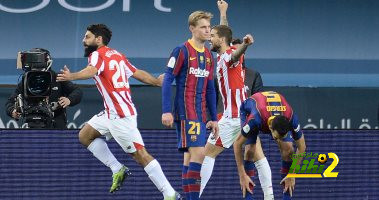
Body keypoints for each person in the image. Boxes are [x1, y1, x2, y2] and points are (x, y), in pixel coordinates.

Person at [57, 24, 181, 200]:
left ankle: (170, 194)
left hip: (120, 117)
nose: (83, 40)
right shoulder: (116, 54)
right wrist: (156, 82)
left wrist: (72, 76)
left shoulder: (96, 55)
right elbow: (137, 73)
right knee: (85, 135)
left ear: (98, 40)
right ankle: (117, 168)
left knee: (140, 155)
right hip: (111, 113)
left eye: (87, 37)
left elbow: (92, 71)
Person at [200, 1, 274, 200]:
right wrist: (223, 12)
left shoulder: (228, 57)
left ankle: (194, 195)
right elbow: (226, 32)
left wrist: (246, 45)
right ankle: (269, 196)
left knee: (207, 155)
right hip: (244, 116)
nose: (209, 39)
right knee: (258, 156)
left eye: (212, 37)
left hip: (233, 118)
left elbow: (236, 53)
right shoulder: (227, 47)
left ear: (221, 41)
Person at [161, 11, 219, 200]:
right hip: (186, 111)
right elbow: (168, 79)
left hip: (201, 114)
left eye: (209, 27)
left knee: (190, 158)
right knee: (199, 154)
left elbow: (211, 88)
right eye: (203, 27)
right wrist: (166, 110)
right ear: (192, 28)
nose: (207, 31)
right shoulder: (182, 50)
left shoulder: (210, 56)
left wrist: (214, 118)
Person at [234, 91, 307, 200]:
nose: (277, 141)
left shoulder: (291, 117)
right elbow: (237, 144)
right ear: (270, 129)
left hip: (273, 110)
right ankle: (248, 197)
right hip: (249, 109)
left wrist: (292, 174)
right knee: (250, 150)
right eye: (276, 138)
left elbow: (302, 147)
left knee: (288, 149)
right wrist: (242, 174)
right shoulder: (255, 119)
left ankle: (287, 197)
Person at [5, 48, 82, 129]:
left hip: (57, 126)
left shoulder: (58, 77)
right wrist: (13, 111)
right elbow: (10, 102)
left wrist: (69, 100)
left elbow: (77, 91)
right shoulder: (26, 80)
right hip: (32, 125)